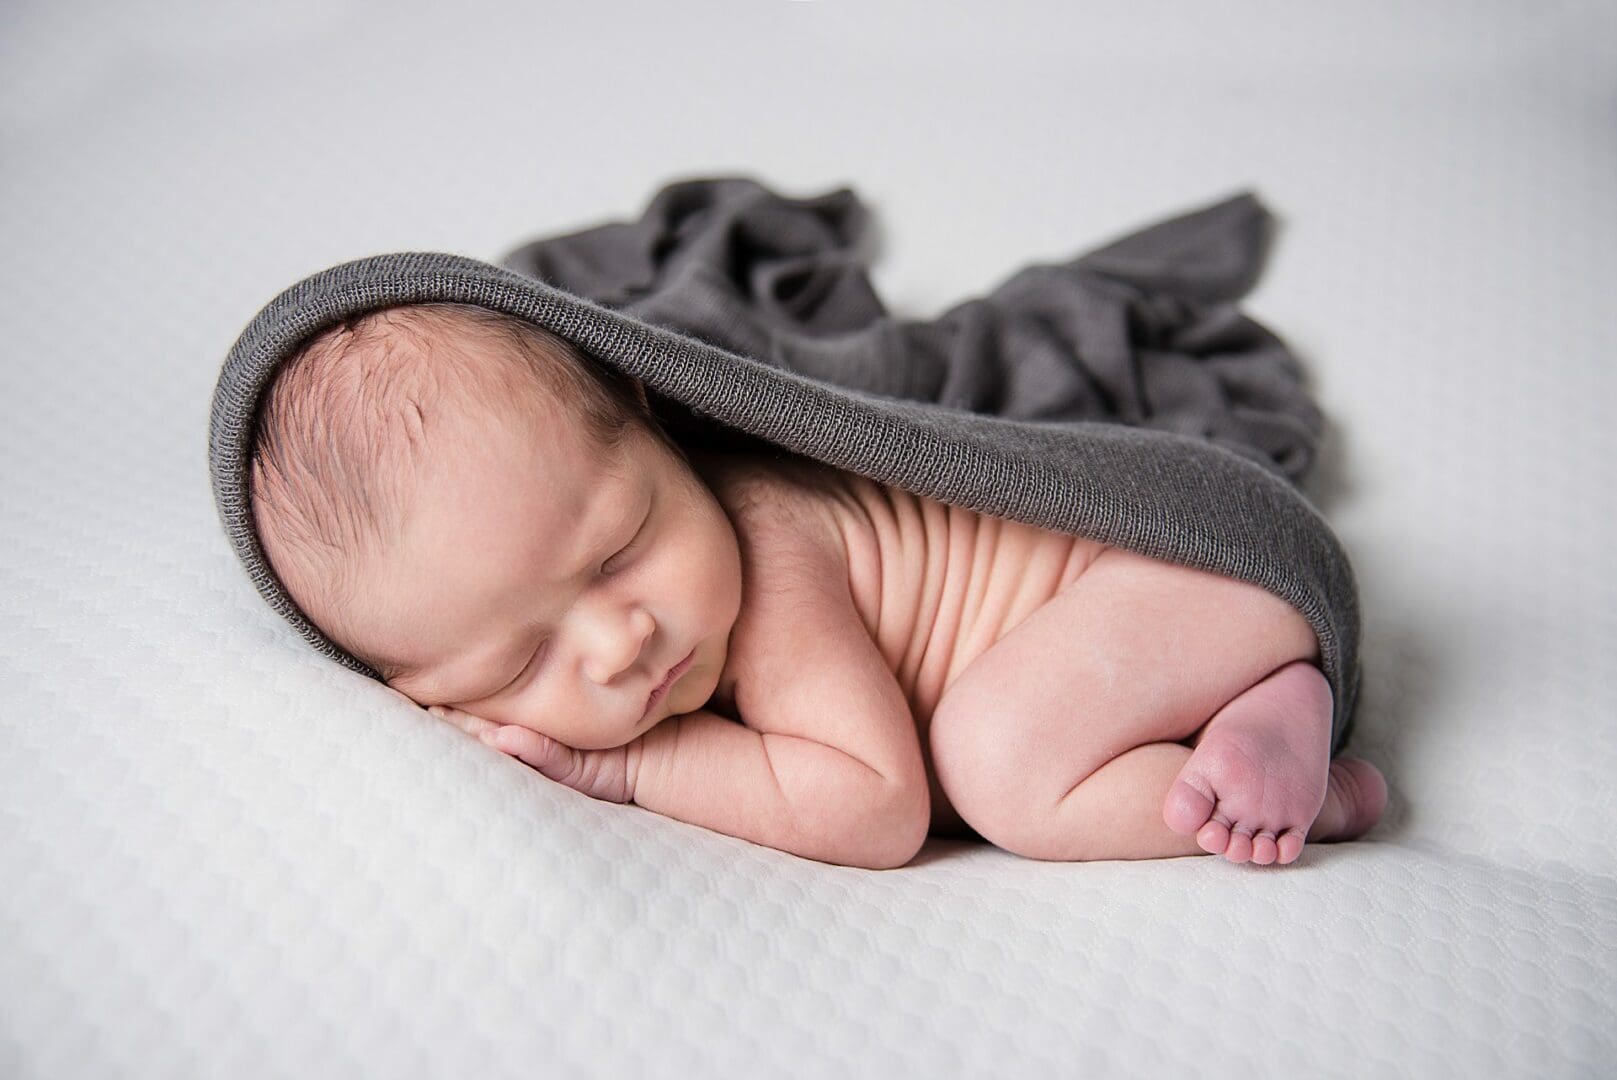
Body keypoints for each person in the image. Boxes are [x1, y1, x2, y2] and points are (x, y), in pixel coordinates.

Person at [249, 301, 1386, 870]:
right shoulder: (642, 610)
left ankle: (1301, 776)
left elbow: (876, 806)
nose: (620, 642)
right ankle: (1252, 712)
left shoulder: (769, 547)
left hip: (1195, 562)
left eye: (620, 548)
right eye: (521, 661)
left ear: (654, 423)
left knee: (995, 758)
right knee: (1008, 743)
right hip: (1160, 634)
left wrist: (630, 765)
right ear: (425, 694)